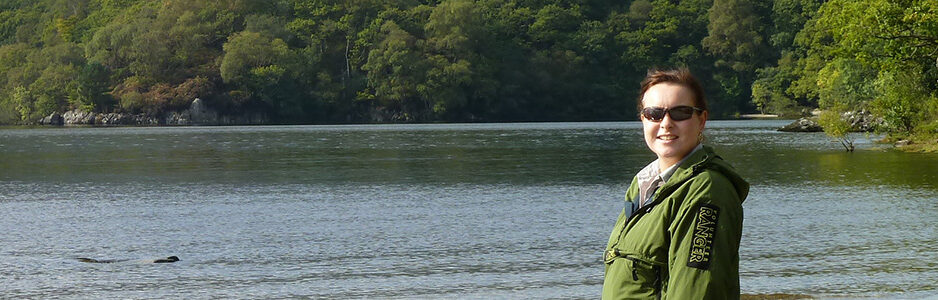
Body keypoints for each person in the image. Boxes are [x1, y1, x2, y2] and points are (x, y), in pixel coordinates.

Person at [602, 68, 749, 299]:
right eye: (654, 113)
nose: (666, 123)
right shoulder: (643, 185)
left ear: (701, 120)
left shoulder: (706, 192)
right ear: (643, 119)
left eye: (681, 113)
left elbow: (697, 290)